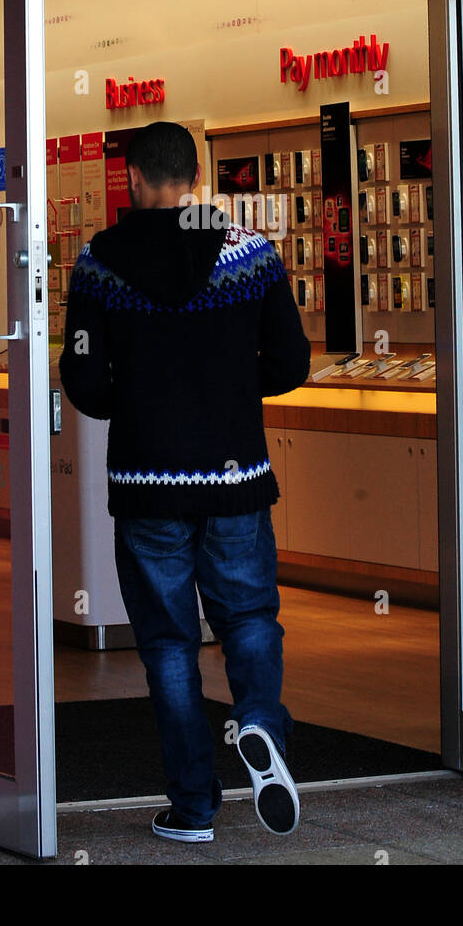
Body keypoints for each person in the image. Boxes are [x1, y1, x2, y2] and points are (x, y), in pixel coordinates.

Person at [59, 121, 312, 843]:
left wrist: (132, 403)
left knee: (170, 644)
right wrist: (233, 395)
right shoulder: (252, 253)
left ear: (134, 179)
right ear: (197, 176)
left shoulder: (98, 261)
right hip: (237, 477)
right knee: (250, 619)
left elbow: (82, 378)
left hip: (147, 482)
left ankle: (194, 808)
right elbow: (291, 363)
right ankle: (259, 723)